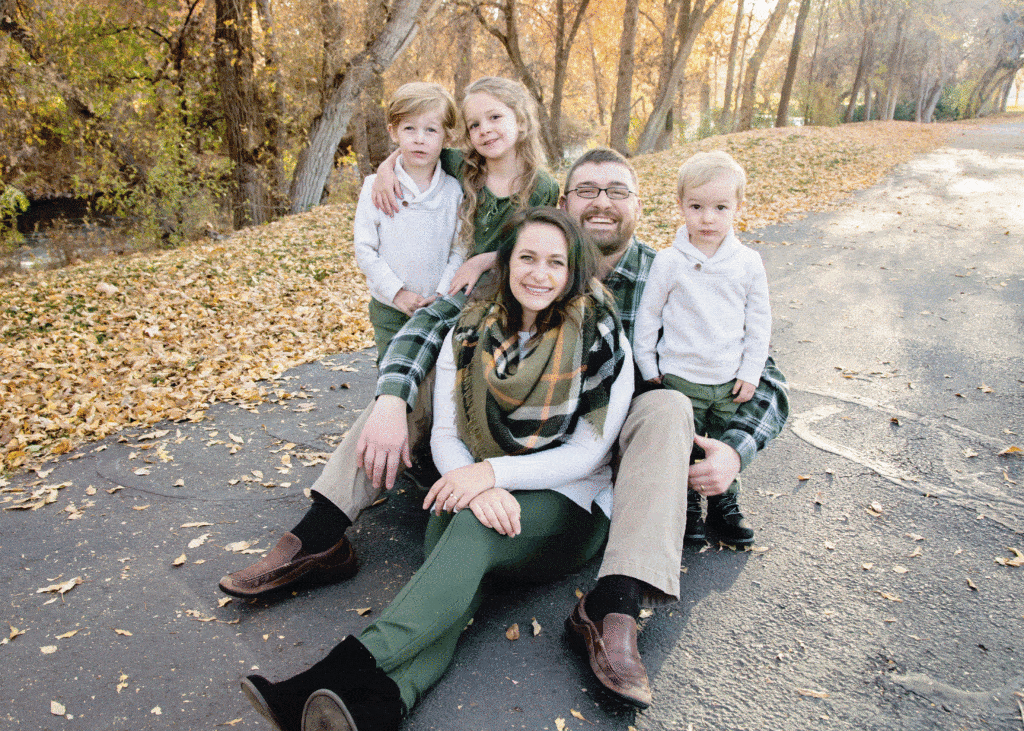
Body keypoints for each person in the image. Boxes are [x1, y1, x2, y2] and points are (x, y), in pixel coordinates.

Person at [221, 148, 789, 710]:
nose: (602, 203)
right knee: (406, 385)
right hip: (492, 446)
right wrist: (394, 399)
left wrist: (735, 453)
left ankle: (617, 601)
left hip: (600, 455)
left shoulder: (670, 272)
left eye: (618, 191)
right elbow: (435, 323)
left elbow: (761, 373)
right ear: (563, 204)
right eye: (586, 191)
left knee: (668, 406)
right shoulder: (512, 273)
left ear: (641, 206)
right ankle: (328, 551)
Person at [240, 207, 635, 731]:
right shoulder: (472, 330)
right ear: (506, 262)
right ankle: (379, 708)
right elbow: (448, 435)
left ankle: (328, 673)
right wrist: (473, 485)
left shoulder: (599, 333)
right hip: (484, 491)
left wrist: (488, 476)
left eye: (556, 263)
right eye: (528, 258)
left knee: (468, 530)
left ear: (572, 271)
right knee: (454, 552)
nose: (539, 274)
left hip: (571, 505)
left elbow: (588, 453)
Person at [217, 77, 558, 599]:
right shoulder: (458, 166)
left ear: (522, 119)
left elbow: (548, 253)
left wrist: (492, 257)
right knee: (399, 394)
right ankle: (319, 534)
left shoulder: (544, 188)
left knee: (429, 386)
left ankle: (382, 483)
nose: (485, 130)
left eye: (495, 117)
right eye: (474, 123)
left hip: (501, 320)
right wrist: (380, 175)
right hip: (448, 304)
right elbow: (408, 157)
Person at [633, 150, 771, 547]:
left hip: (729, 378)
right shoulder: (669, 261)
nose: (707, 218)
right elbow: (649, 317)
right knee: (687, 444)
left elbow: (759, 322)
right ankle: (688, 506)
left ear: (737, 208)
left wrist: (751, 371)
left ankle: (725, 505)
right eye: (696, 206)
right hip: (680, 376)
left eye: (720, 207)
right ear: (680, 206)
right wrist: (648, 365)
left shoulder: (747, 263)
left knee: (724, 442)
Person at [352, 82, 464, 364]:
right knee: (393, 375)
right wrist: (397, 293)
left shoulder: (453, 191)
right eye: (409, 129)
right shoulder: (374, 188)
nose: (419, 139)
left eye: (431, 130)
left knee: (436, 378)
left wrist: (441, 293)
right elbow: (365, 250)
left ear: (446, 136)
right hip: (389, 307)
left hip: (437, 305)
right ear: (393, 132)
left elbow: (460, 249)